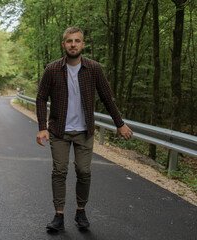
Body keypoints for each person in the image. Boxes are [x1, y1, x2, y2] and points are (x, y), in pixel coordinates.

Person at [36, 27, 133, 231]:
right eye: (69, 41)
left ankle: (81, 211)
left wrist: (119, 123)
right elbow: (41, 97)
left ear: (83, 44)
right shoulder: (52, 69)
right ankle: (59, 215)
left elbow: (107, 97)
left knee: (84, 171)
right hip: (59, 131)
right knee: (59, 172)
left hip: (84, 131)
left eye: (77, 41)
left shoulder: (94, 69)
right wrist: (42, 127)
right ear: (63, 44)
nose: (73, 44)